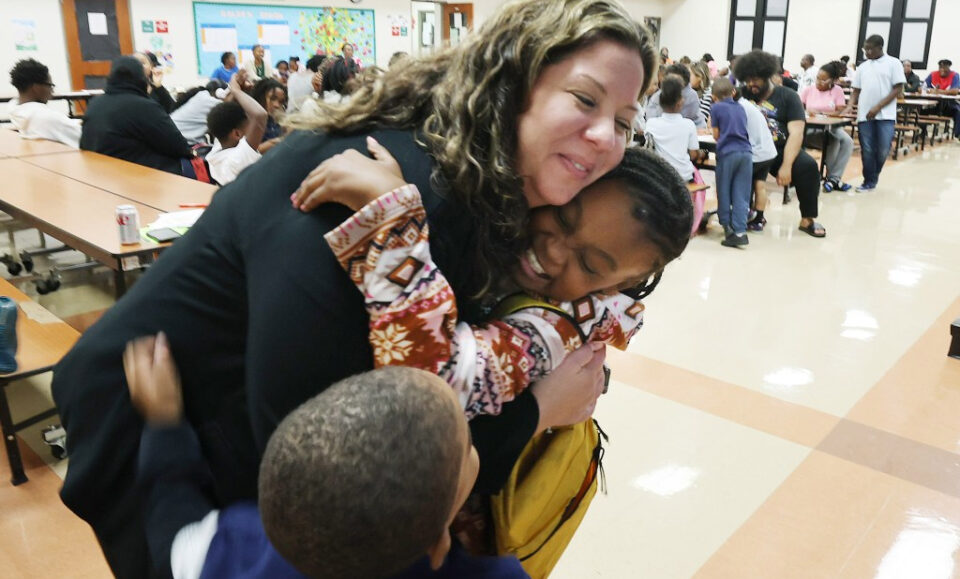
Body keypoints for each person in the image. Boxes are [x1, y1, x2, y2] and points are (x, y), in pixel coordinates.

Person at [50, 1, 657, 577]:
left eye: (625, 123)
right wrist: (535, 413)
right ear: (513, 81)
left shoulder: (480, 184)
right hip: (172, 436)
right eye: (585, 99)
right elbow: (341, 458)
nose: (606, 136)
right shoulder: (381, 186)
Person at [304, 144, 691, 418]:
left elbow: (428, 392)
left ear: (616, 285)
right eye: (562, 216)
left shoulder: (559, 328)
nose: (554, 252)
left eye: (588, 265)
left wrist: (393, 220)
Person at [126, 331, 526, 579]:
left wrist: (162, 421)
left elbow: (170, 518)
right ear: (436, 547)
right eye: (467, 441)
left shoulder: (232, 550)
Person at [735, 49, 827, 238]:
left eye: (756, 79)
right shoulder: (742, 94)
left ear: (768, 75)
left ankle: (807, 219)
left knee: (808, 167)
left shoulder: (788, 96)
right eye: (748, 80)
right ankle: (746, 215)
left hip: (780, 150)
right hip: (750, 151)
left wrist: (786, 165)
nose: (751, 84)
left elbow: (796, 133)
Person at [79, 56, 193, 174]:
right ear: (142, 78)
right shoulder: (144, 106)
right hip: (136, 177)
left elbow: (84, 144)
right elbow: (178, 146)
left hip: (99, 173)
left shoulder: (95, 104)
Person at [842, 35, 905, 191]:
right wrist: (850, 105)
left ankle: (873, 176)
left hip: (886, 115)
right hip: (864, 115)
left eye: (870, 49)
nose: (867, 52)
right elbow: (856, 90)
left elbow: (898, 89)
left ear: (880, 48)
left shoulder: (893, 63)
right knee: (867, 149)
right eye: (865, 49)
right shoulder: (863, 67)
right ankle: (868, 181)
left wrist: (878, 107)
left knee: (883, 149)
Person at [710, 78, 752, 248]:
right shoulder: (741, 107)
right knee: (741, 193)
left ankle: (727, 228)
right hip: (746, 153)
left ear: (714, 97)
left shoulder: (716, 108)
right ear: (733, 92)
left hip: (727, 153)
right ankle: (741, 231)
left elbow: (716, 134)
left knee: (724, 190)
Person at [205, 71, 267, 185]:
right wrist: (235, 90)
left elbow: (225, 110)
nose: (252, 128)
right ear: (237, 134)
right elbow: (260, 116)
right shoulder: (237, 159)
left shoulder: (219, 147)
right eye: (249, 125)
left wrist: (237, 86)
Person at [800, 61, 853, 192]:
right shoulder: (808, 90)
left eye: (823, 80)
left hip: (832, 126)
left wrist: (822, 113)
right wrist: (808, 112)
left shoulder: (837, 91)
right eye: (818, 78)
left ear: (833, 81)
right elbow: (799, 109)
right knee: (833, 141)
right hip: (811, 128)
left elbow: (840, 110)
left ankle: (833, 178)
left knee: (848, 141)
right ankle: (833, 179)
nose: (819, 82)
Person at [7, 58, 81, 148]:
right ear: (36, 87)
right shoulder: (47, 118)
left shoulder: (14, 109)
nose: (52, 91)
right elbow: (85, 137)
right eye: (50, 85)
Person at [645, 76, 701, 184]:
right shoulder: (689, 125)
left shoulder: (651, 124)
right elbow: (693, 155)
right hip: (683, 176)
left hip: (661, 176)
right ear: (680, 102)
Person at [738, 86, 778, 232]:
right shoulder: (750, 106)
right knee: (760, 185)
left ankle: (744, 216)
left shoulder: (739, 107)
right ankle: (759, 220)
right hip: (768, 152)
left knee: (744, 185)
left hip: (755, 154)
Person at [645, 63, 708, 128]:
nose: (672, 85)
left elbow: (695, 120)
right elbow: (651, 120)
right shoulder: (658, 96)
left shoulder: (691, 96)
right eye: (669, 81)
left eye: (675, 82)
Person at [923, 59, 960, 138]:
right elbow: (923, 88)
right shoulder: (933, 74)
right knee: (921, 110)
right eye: (940, 67)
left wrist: (938, 91)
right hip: (934, 104)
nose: (942, 69)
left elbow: (955, 91)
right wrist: (929, 91)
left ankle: (957, 135)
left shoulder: (954, 75)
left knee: (958, 111)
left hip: (949, 105)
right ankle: (923, 132)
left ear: (949, 68)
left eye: (944, 67)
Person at [251, 77, 287, 142]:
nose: (277, 105)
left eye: (281, 102)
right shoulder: (249, 121)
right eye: (273, 98)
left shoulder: (274, 121)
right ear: (260, 97)